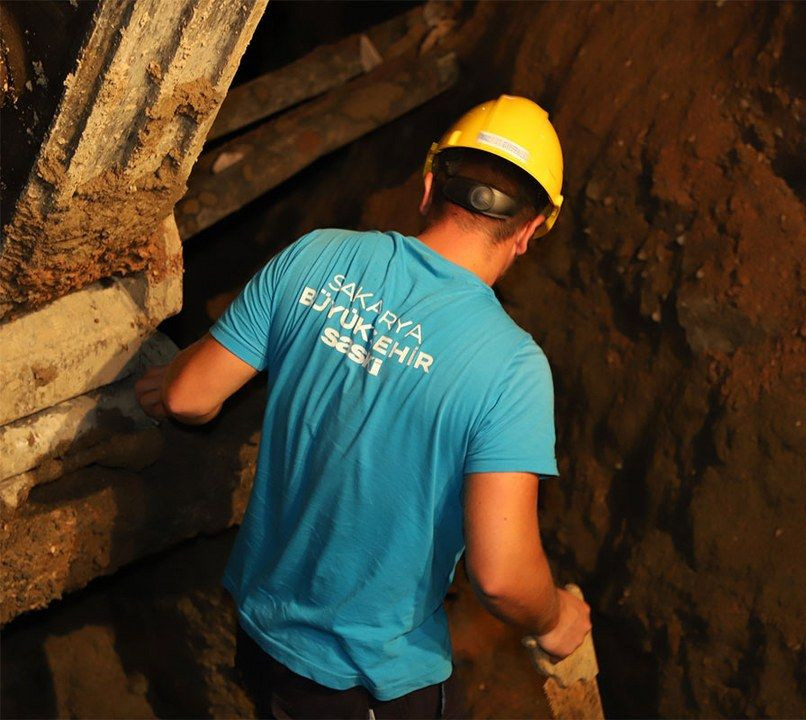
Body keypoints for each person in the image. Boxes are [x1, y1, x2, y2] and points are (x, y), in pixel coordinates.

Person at [135, 95, 591, 719]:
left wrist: (164, 380)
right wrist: (558, 617)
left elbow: (189, 397)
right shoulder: (511, 370)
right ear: (532, 230)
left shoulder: (318, 255)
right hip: (366, 685)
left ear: (430, 186)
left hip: (262, 635)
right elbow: (503, 575)